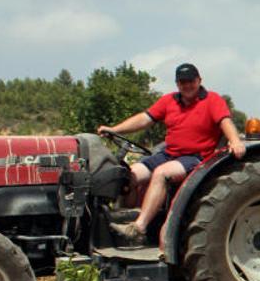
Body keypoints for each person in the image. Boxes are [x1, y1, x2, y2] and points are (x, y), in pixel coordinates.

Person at [98, 63, 245, 246]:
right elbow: (144, 119)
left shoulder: (212, 100)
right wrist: (114, 130)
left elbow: (225, 121)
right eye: (183, 82)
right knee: (129, 174)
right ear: (177, 84)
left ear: (199, 80)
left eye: (191, 81)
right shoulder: (169, 101)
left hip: (196, 158)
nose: (187, 85)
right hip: (168, 154)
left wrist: (235, 140)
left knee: (161, 173)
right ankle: (126, 221)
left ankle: (139, 228)